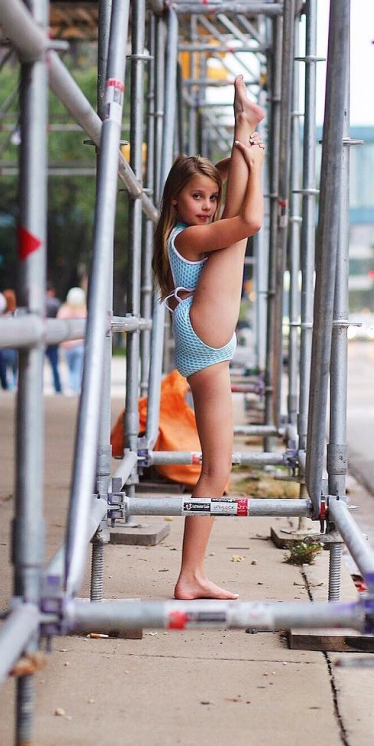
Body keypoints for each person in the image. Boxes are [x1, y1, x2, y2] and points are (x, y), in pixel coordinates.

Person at [151, 75, 265, 600]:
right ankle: (189, 576)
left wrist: (238, 148)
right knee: (215, 470)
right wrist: (254, 160)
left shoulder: (183, 230)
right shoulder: (190, 235)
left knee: (217, 469)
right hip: (202, 340)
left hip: (202, 338)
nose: (204, 204)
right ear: (175, 200)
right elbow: (251, 221)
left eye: (207, 198)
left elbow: (220, 186)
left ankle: (190, 575)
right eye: (195, 197)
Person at [57, 286, 87, 397]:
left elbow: (59, 324)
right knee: (78, 368)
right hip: (79, 344)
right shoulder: (84, 311)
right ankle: (75, 387)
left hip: (67, 345)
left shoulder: (64, 310)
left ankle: (72, 387)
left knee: (70, 368)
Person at [0, 288, 18, 390]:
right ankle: (12, 385)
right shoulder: (16, 314)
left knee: (3, 368)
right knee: (13, 368)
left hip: (3, 346)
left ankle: (6, 385)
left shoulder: (0, 315)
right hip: (13, 345)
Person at [44, 282, 63, 394]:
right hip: (53, 338)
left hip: (42, 337)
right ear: (51, 291)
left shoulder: (38, 302)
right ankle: (57, 387)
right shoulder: (55, 303)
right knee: (55, 366)